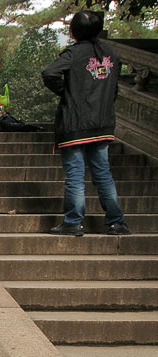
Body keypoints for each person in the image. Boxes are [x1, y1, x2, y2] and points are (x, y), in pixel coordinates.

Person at [41, 10, 131, 236]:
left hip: (75, 124)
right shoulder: (111, 54)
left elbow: (49, 73)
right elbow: (114, 89)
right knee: (103, 173)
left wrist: (67, 93)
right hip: (102, 122)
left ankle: (73, 222)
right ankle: (116, 222)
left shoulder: (74, 53)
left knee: (75, 174)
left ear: (74, 31)